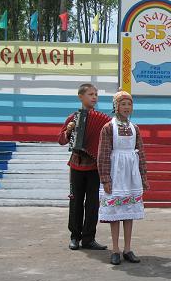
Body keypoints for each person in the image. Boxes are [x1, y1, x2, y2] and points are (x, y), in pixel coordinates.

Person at [98, 91, 149, 265]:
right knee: (115, 213)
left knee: (129, 212)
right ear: (116, 106)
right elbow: (103, 154)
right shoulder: (108, 128)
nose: (127, 107)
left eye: (129, 104)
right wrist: (105, 178)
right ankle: (115, 249)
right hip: (115, 173)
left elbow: (140, 153)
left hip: (131, 174)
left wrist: (143, 176)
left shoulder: (135, 128)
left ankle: (127, 248)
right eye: (123, 104)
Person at [58, 83, 107, 251]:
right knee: (76, 201)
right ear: (81, 96)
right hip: (77, 165)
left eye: (96, 94)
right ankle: (74, 236)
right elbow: (61, 141)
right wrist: (69, 131)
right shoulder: (73, 118)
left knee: (93, 204)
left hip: (94, 167)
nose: (94, 97)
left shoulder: (104, 121)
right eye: (90, 94)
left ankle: (89, 238)